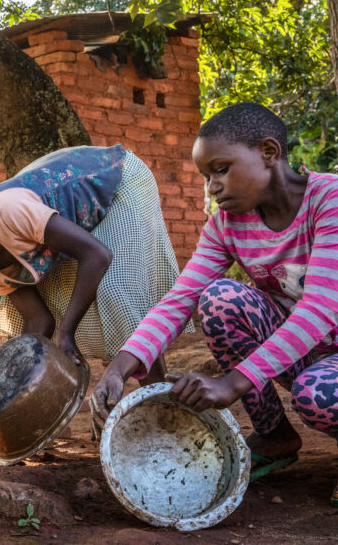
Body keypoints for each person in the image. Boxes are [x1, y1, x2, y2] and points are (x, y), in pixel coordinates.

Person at [90, 103, 338, 505]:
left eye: (221, 169)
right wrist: (121, 366)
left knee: (317, 395)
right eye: (206, 176)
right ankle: (274, 436)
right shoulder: (228, 224)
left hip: (324, 354)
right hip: (308, 351)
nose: (211, 187)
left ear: (269, 153)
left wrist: (232, 384)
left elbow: (319, 311)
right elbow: (179, 300)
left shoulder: (329, 201)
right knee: (220, 300)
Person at [0, 144, 180, 377]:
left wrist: (67, 333)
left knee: (115, 290)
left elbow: (97, 255)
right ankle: (154, 392)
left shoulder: (8, 211)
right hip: (80, 220)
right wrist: (12, 378)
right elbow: (38, 321)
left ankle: (159, 402)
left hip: (117, 178)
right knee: (29, 317)